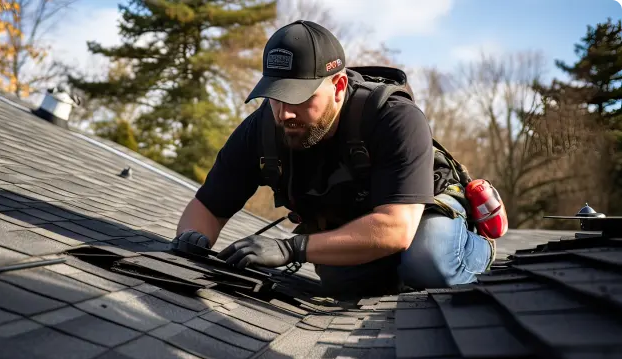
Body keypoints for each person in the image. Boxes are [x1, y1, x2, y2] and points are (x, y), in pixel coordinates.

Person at [174, 20, 495, 297]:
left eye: (299, 98)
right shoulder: (262, 129)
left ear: (339, 86)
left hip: (423, 213)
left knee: (429, 261)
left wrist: (291, 248)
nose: (285, 113)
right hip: (359, 226)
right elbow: (207, 208)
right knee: (345, 284)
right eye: (275, 97)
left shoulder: (395, 117)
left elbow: (397, 228)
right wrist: (192, 241)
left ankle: (476, 249)